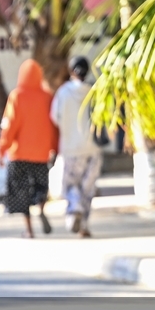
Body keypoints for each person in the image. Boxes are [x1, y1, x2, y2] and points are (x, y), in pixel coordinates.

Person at [0, 59, 58, 238]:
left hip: (19, 155)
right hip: (41, 154)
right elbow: (54, 127)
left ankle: (29, 230)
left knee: (21, 193)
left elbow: (10, 125)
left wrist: (2, 149)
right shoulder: (48, 97)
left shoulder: (17, 96)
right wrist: (55, 147)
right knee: (40, 187)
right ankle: (40, 206)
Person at [50, 56, 101, 237]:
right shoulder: (94, 91)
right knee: (88, 188)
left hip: (70, 148)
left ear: (71, 71)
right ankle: (84, 226)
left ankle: (74, 208)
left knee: (71, 185)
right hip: (92, 148)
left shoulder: (63, 93)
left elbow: (55, 117)